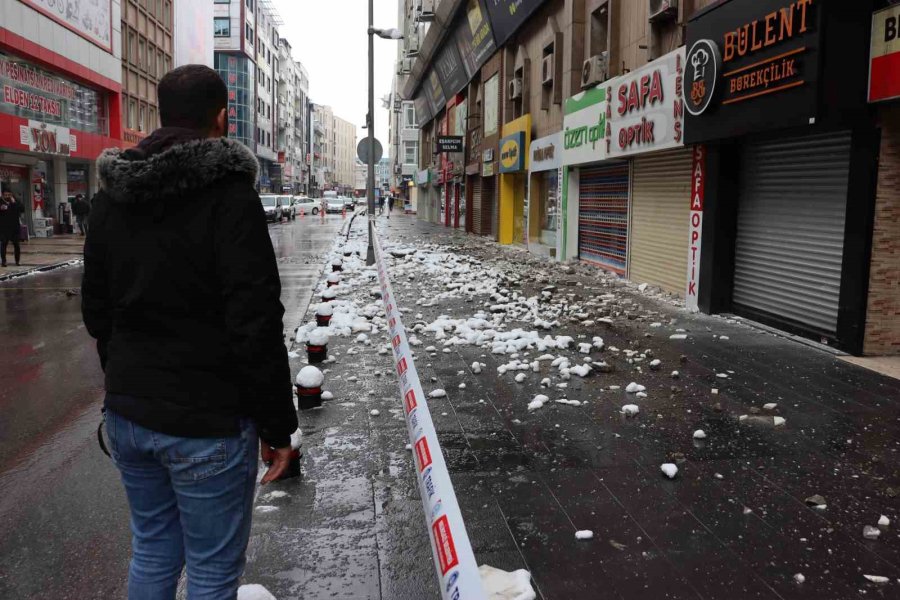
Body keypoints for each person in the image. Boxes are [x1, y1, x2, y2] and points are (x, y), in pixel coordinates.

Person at [82, 65, 298, 600]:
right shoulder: (229, 195)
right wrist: (277, 425)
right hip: (207, 420)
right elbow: (254, 319)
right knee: (211, 568)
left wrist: (127, 382)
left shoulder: (113, 196)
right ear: (222, 118)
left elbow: (96, 308)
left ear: (160, 114)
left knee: (154, 548)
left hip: (131, 414)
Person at [0, 187, 24, 267]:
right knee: (4, 244)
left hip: (15, 227)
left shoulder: (15, 201)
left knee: (16, 245)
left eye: (8, 195)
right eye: (5, 195)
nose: (7, 196)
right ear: (2, 195)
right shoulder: (0, 201)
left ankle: (17, 261)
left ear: (11, 195)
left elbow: (22, 209)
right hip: (4, 228)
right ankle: (4, 261)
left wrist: (14, 203)